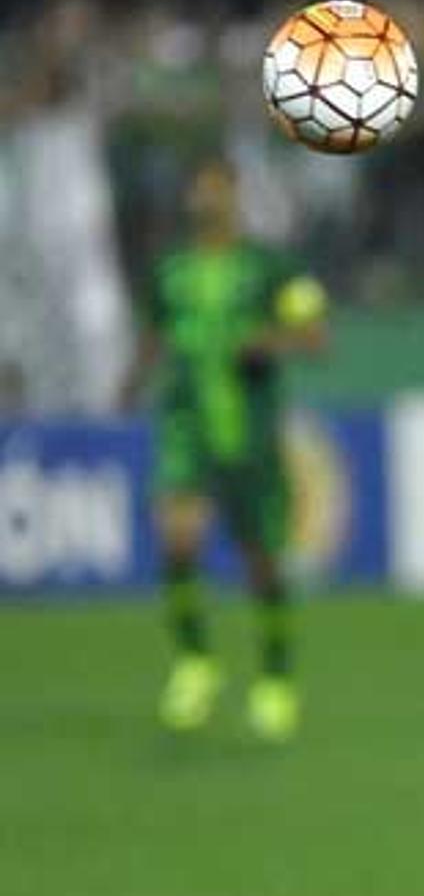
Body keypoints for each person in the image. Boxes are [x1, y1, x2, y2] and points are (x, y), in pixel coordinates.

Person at [121, 157, 328, 741]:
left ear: (235, 195)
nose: (206, 197)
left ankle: (275, 678)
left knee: (262, 563)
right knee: (177, 541)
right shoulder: (171, 270)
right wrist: (129, 384)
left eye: (217, 187)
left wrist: (271, 340)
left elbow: (315, 337)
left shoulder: (272, 268)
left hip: (251, 435)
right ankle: (195, 664)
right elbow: (154, 335)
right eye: (199, 187)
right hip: (185, 425)